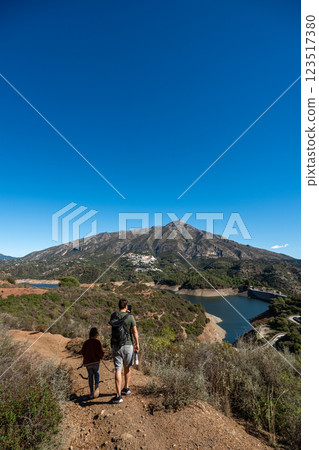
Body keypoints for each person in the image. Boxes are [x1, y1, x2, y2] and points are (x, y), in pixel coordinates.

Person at [109, 298, 139, 404]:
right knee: (127, 367)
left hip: (116, 345)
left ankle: (118, 396)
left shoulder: (113, 315)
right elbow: (134, 332)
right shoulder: (130, 317)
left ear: (118, 306)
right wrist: (137, 344)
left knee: (118, 369)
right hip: (128, 345)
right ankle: (126, 388)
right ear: (126, 307)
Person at [80, 327, 105, 399]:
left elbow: (82, 352)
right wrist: (101, 356)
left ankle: (91, 392)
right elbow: (100, 352)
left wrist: (86, 356)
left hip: (88, 363)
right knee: (97, 373)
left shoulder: (86, 342)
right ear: (96, 334)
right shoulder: (97, 342)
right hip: (96, 362)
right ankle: (96, 385)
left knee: (90, 376)